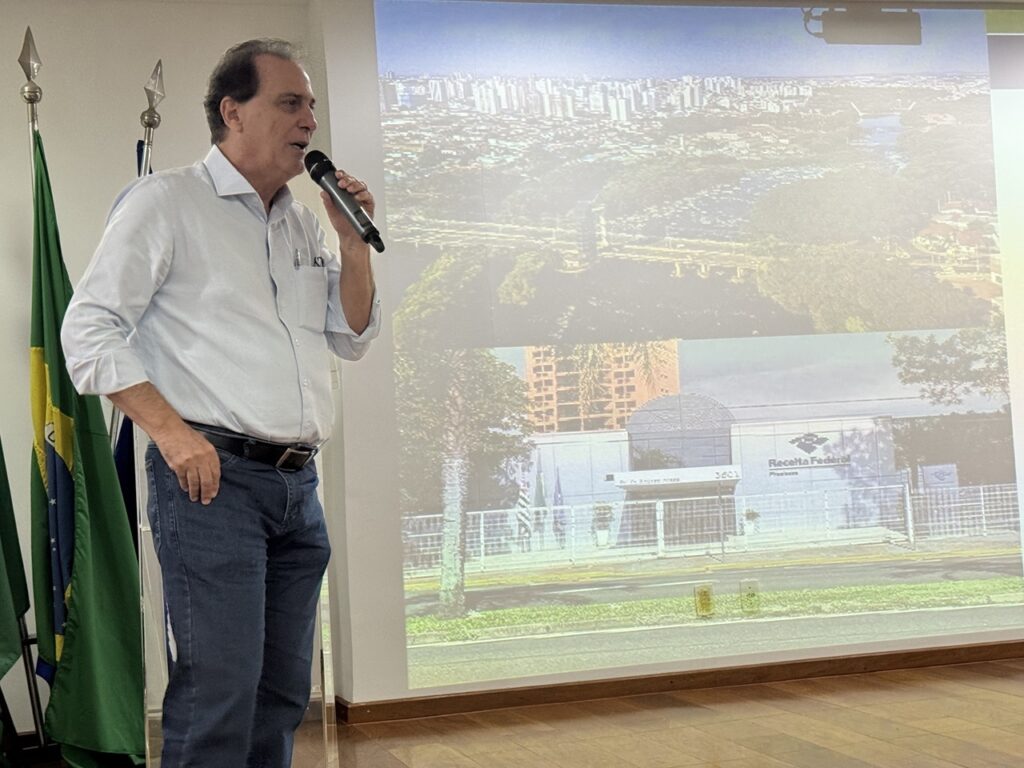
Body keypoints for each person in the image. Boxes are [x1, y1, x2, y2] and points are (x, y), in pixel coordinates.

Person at [61, 39, 380, 768]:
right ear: (232, 111)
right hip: (215, 486)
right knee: (219, 696)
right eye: (290, 102)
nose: (309, 120)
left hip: (298, 489)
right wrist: (171, 433)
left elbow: (351, 335)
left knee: (279, 697)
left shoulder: (302, 221)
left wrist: (352, 247)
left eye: (312, 107)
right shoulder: (166, 202)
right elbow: (87, 330)